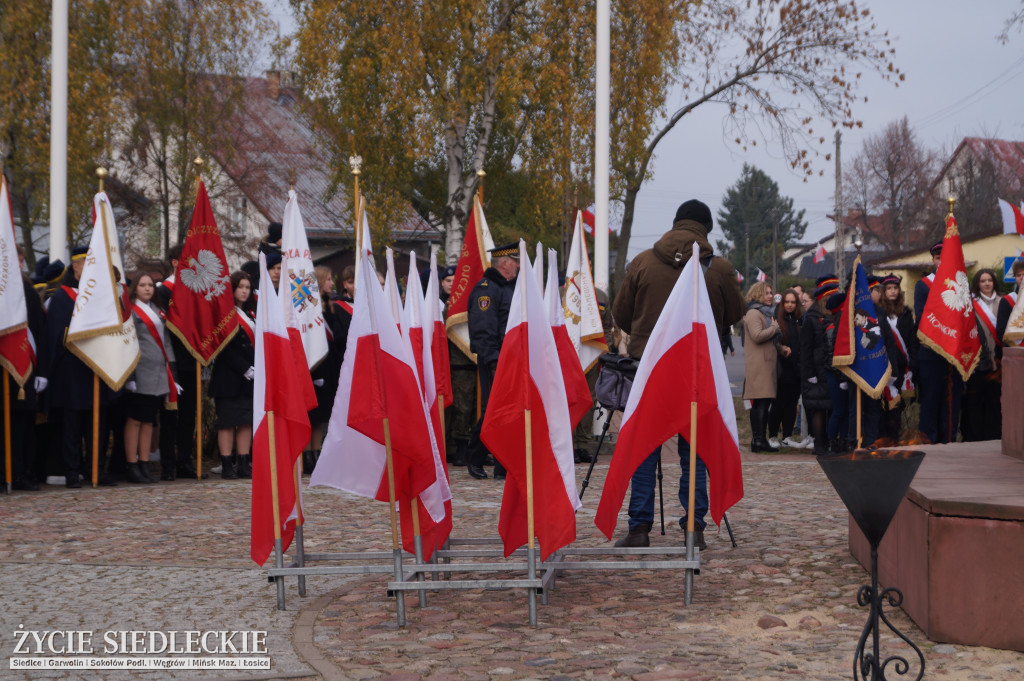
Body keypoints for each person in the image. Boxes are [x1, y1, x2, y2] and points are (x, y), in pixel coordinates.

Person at [611, 199, 744, 549]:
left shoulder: (641, 262)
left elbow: (622, 315)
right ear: (706, 228)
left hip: (650, 368)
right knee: (696, 451)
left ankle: (639, 528)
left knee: (644, 448)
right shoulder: (719, 268)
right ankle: (694, 528)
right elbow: (736, 312)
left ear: (674, 224)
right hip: (697, 372)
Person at [45, 246, 117, 487]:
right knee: (73, 426)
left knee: (98, 424)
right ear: (75, 266)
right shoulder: (61, 297)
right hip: (72, 371)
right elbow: (56, 333)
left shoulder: (100, 295)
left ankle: (95, 469)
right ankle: (72, 471)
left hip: (97, 369)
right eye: (88, 263)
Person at [465, 242, 520, 480]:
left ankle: (503, 464)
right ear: (505, 262)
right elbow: (483, 329)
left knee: (511, 412)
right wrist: (493, 360)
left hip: (514, 360)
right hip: (496, 360)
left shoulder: (511, 288)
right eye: (515, 260)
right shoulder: (486, 289)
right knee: (493, 411)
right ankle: (475, 456)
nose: (518, 265)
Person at [124, 273, 178, 484]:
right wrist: (130, 376)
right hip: (139, 373)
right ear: (135, 288)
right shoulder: (130, 311)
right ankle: (132, 464)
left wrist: (172, 371)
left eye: (149, 285)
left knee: (149, 420)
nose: (147, 289)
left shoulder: (158, 311)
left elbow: (166, 343)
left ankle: (144, 462)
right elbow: (127, 344)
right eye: (142, 285)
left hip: (158, 373)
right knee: (135, 419)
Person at [3, 245, 47, 491]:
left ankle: (20, 472)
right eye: (14, 260)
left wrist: (42, 373)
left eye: (20, 260)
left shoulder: (28, 293)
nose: (18, 264)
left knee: (22, 424)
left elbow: (40, 335)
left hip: (23, 369)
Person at [208, 272, 255, 479]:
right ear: (232, 289)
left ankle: (244, 462)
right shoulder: (224, 314)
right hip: (228, 376)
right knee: (227, 422)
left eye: (247, 287)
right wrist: (244, 367)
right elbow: (224, 347)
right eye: (240, 287)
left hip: (249, 377)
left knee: (245, 421)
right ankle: (227, 463)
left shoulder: (251, 314)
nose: (244, 291)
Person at [914, 240, 962, 444]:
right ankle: (929, 439)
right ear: (933, 260)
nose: (942, 261)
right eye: (938, 258)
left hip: (953, 353)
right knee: (931, 399)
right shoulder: (923, 285)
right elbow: (921, 318)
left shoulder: (960, 283)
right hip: (931, 353)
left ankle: (948, 438)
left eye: (946, 257)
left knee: (951, 400)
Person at [304, 265, 349, 473]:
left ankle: (316, 453)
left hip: (330, 367)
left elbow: (336, 337)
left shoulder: (331, 306)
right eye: (329, 279)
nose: (332, 283)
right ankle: (307, 455)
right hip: (315, 369)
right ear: (320, 281)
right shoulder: (310, 307)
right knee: (311, 415)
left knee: (322, 416)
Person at [961, 268, 1002, 441]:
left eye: (989, 280)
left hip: (999, 362)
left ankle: (993, 435)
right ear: (977, 284)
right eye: (983, 281)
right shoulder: (970, 304)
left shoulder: (1004, 302)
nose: (986, 283)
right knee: (975, 402)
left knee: (994, 402)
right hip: (978, 362)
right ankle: (974, 437)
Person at [742, 281, 783, 453]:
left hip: (766, 364)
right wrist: (774, 327)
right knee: (760, 403)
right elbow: (758, 336)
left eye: (771, 292)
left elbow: (769, 339)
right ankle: (758, 440)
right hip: (759, 366)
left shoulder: (765, 313)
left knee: (763, 403)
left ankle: (759, 440)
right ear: (758, 294)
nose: (770, 296)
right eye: (766, 293)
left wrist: (782, 348)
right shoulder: (753, 313)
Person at [801, 279, 837, 456]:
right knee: (818, 409)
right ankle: (819, 444)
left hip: (829, 369)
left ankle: (830, 442)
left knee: (830, 407)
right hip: (815, 370)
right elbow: (805, 348)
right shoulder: (812, 318)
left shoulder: (833, 316)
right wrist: (809, 373)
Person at [879, 273, 916, 440]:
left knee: (897, 405)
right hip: (882, 364)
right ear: (883, 292)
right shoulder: (879, 313)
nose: (892, 292)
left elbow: (910, 341)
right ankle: (881, 437)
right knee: (881, 404)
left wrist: (911, 367)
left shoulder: (906, 313)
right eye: (889, 289)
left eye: (895, 288)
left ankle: (894, 438)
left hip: (900, 366)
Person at [767, 288, 803, 448]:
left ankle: (787, 435)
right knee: (778, 405)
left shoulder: (799, 321)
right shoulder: (777, 321)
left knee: (792, 405)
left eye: (792, 302)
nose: (789, 305)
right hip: (781, 370)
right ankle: (773, 435)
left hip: (796, 370)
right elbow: (773, 344)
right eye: (787, 302)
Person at [996, 258, 1024, 350]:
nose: (1021, 277)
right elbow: (1001, 331)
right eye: (1018, 275)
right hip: (1016, 351)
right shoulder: (1007, 300)